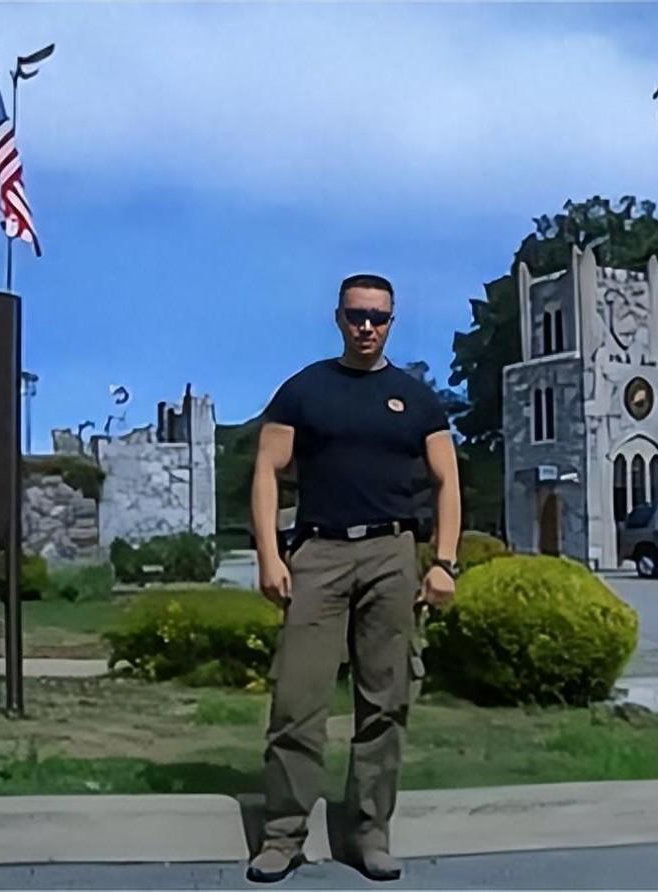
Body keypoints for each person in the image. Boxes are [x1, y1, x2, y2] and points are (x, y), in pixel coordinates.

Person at [246, 273, 462, 883]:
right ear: (338, 318)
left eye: (378, 317)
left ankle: (369, 831)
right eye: (356, 316)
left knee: (386, 702)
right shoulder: (304, 390)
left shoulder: (416, 398)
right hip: (319, 553)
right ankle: (283, 835)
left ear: (392, 322)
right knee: (296, 702)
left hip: (392, 552)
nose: (367, 327)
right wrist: (269, 556)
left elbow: (447, 481)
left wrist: (443, 562)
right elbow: (266, 470)